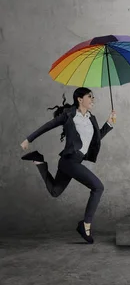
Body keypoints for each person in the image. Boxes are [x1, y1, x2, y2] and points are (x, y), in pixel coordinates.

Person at [20, 87, 116, 244]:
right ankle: (85, 225)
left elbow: (95, 139)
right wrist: (28, 139)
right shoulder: (69, 115)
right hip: (69, 160)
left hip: (74, 162)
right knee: (98, 187)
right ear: (80, 99)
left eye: (93, 97)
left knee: (55, 191)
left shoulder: (91, 118)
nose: (93, 100)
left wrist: (109, 124)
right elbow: (47, 126)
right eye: (90, 97)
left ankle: (38, 160)